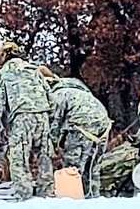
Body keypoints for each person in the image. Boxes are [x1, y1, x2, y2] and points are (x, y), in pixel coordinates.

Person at [0, 42, 53, 200]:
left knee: (18, 156)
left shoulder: (2, 74)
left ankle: (24, 193)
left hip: (22, 117)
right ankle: (47, 191)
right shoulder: (33, 70)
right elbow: (49, 93)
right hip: (42, 115)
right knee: (44, 154)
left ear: (2, 56)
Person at [46, 69, 112, 198]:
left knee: (73, 169)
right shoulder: (82, 92)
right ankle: (94, 198)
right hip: (104, 129)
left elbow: (55, 122)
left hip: (81, 129)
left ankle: (72, 202)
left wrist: (51, 144)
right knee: (93, 168)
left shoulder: (59, 94)